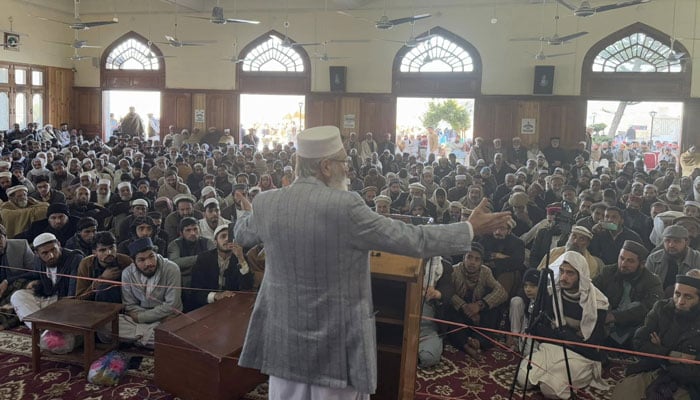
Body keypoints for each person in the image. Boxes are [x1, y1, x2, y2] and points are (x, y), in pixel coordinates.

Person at [233, 126, 511, 399]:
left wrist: (247, 210)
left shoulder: (267, 203)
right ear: (326, 166)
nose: (348, 169)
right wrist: (469, 228)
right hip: (335, 344)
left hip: (284, 340)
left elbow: (242, 232)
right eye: (344, 162)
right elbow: (413, 239)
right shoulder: (345, 206)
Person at [516, 251, 609, 399]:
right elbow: (538, 330)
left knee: (550, 388)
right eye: (562, 271)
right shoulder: (552, 293)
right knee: (523, 377)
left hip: (580, 356)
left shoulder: (597, 303)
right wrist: (568, 336)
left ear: (581, 275)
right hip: (551, 348)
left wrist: (560, 334)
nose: (564, 277)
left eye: (570, 273)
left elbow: (592, 345)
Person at [611, 272, 700, 399]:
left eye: (688, 297)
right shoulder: (662, 308)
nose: (680, 302)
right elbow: (639, 342)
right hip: (654, 369)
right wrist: (672, 355)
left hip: (687, 383)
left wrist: (658, 350)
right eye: (677, 294)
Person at [438, 243, 508, 358]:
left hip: (477, 312)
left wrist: (480, 305)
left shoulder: (485, 272)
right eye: (469, 257)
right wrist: (464, 307)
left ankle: (478, 342)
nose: (472, 262)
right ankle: (466, 345)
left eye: (477, 259)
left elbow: (501, 292)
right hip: (459, 312)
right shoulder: (454, 271)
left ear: (481, 262)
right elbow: (447, 292)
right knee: (448, 313)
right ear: (463, 258)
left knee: (494, 309)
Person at [593, 241, 663, 348]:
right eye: (621, 258)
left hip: (632, 325)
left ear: (642, 264)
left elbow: (649, 308)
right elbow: (592, 292)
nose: (623, 264)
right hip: (605, 320)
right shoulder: (608, 271)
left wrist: (614, 317)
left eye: (630, 261)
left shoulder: (652, 281)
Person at [119, 237, 182, 348]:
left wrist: (141, 317)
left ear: (156, 254)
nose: (148, 263)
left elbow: (172, 306)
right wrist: (149, 319)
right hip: (153, 319)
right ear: (133, 261)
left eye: (151, 257)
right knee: (107, 327)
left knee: (176, 330)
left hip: (167, 318)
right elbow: (129, 306)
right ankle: (151, 338)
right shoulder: (127, 274)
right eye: (142, 260)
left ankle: (138, 338)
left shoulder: (171, 269)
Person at [10, 233, 82, 329]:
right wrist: (7, 281)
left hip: (66, 302)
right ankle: (41, 329)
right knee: (18, 296)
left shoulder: (74, 258)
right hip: (49, 298)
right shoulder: (38, 260)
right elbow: (34, 274)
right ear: (37, 253)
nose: (51, 255)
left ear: (59, 244)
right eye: (45, 253)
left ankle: (46, 329)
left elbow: (72, 293)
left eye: (53, 250)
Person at [186, 224, 254, 312]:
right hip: (207, 307)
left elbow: (248, 287)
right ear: (215, 242)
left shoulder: (241, 257)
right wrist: (216, 296)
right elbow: (195, 291)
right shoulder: (203, 259)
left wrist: (241, 259)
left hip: (233, 306)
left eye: (230, 237)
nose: (227, 239)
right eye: (223, 236)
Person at [75, 231, 132, 303]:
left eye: (112, 248)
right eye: (102, 250)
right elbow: (80, 298)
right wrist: (102, 279)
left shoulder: (126, 261)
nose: (109, 253)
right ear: (94, 252)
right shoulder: (86, 264)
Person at [646, 225, 700, 297]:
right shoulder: (654, 258)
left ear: (686, 242)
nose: (671, 245)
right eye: (667, 241)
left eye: (677, 241)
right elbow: (645, 285)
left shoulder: (697, 259)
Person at [0, 224, 37, 330]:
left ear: (6, 237)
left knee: (19, 289)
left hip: (18, 285)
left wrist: (7, 281)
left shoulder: (21, 246)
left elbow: (35, 272)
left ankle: (7, 322)